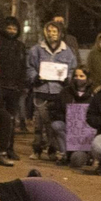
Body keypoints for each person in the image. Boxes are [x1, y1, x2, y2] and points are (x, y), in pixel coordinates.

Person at [27, 20, 79, 160]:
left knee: (53, 122)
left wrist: (68, 78)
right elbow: (30, 67)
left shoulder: (68, 52)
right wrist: (35, 77)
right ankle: (37, 148)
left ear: (60, 33)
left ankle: (52, 149)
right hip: (41, 90)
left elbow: (73, 68)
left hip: (59, 92)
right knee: (39, 121)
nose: (52, 34)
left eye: (54, 31)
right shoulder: (36, 50)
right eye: (49, 31)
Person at [0, 15, 27, 166]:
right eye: (9, 28)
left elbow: (23, 67)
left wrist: (21, 86)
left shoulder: (20, 46)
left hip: (14, 88)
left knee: (11, 120)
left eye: (14, 29)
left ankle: (9, 148)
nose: (11, 31)